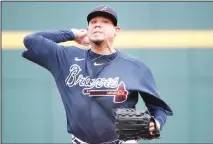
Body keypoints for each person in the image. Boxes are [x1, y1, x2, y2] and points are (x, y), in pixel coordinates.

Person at [22, 5, 173, 144]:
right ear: (87, 29)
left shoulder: (135, 67)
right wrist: (73, 34)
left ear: (116, 30)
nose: (97, 24)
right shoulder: (65, 58)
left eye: (105, 21)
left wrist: (157, 122)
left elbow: (159, 108)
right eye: (93, 22)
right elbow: (32, 41)